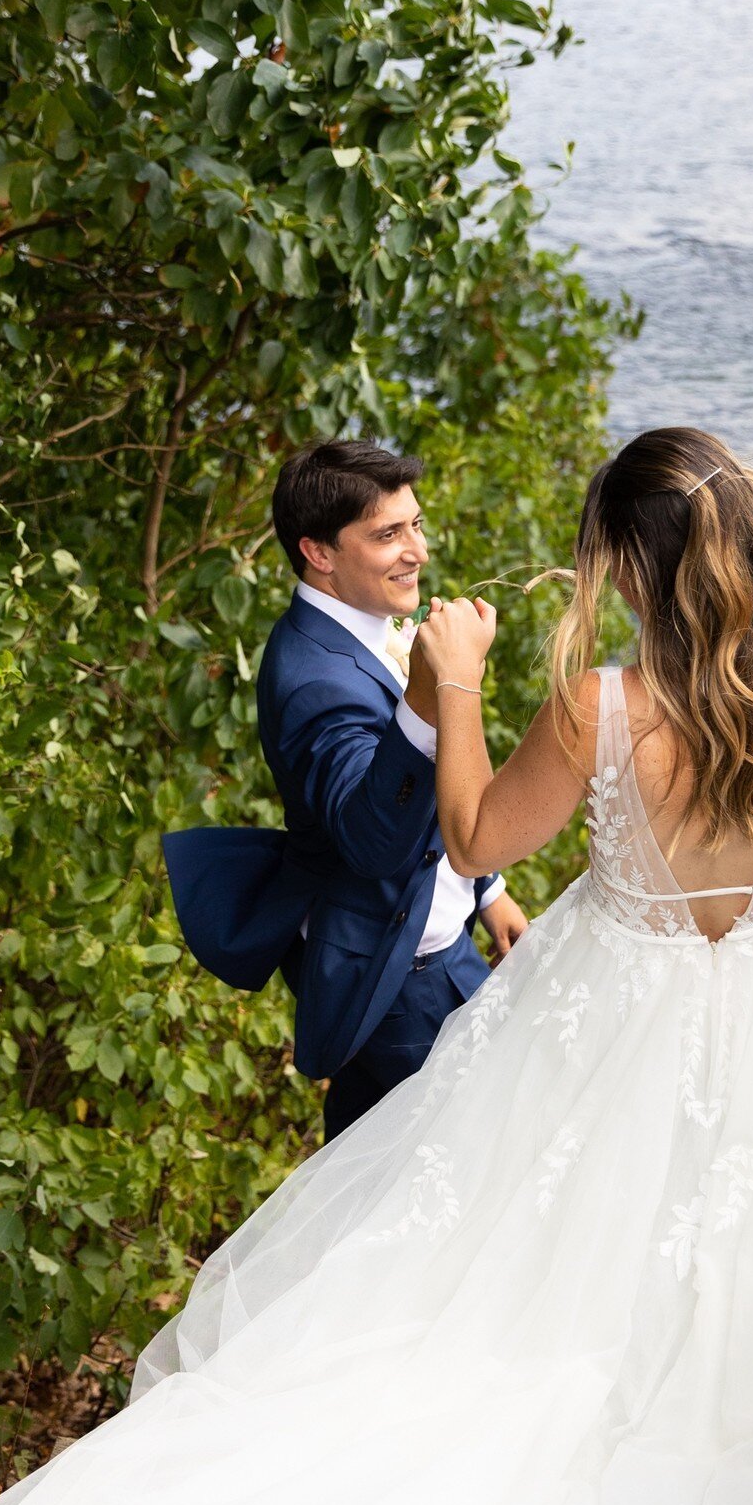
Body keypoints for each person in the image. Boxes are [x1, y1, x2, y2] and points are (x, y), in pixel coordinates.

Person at [0, 426, 753, 1505]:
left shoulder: (603, 708)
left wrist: (456, 688)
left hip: (615, 1005)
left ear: (636, 571)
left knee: (528, 1266)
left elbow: (473, 829)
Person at [162, 439, 528, 1140]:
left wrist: (486, 891)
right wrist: (436, 688)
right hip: (397, 978)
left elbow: (417, 800)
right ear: (320, 553)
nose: (416, 550)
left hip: (425, 939)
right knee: (482, 1161)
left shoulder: (356, 628)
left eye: (416, 524)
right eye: (388, 534)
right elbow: (367, 839)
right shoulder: (312, 679)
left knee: (378, 1182)